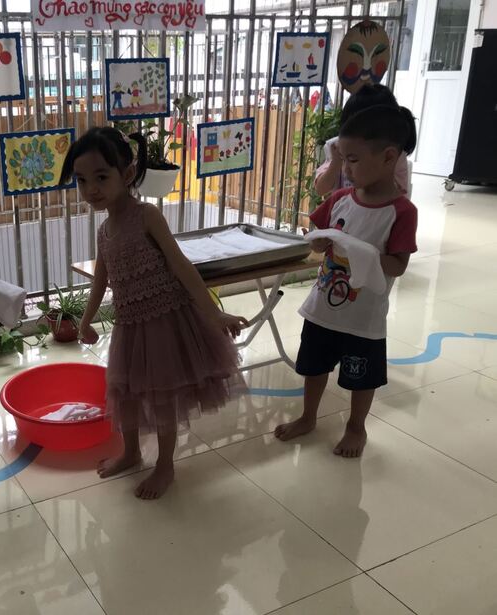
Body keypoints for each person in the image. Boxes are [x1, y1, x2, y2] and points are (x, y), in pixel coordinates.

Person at [58, 127, 247, 500]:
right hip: (130, 326)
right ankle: (130, 452)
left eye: (101, 177)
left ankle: (165, 465)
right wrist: (85, 320)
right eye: (81, 180)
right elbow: (100, 281)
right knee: (126, 392)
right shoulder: (104, 231)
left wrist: (214, 315)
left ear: (127, 174)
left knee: (163, 397)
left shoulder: (147, 216)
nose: (91, 189)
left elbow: (181, 266)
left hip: (166, 322)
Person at [275, 101, 418, 458]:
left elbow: (398, 265)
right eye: (344, 159)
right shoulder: (340, 199)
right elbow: (317, 237)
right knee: (314, 366)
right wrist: (321, 242)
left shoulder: (401, 212)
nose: (346, 168)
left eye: (352, 160)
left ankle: (356, 426)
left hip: (363, 318)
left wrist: (362, 253)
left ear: (388, 157)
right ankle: (308, 416)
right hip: (323, 308)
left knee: (361, 376)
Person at [314, 84, 410, 198]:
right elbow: (320, 189)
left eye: (353, 159)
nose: (346, 170)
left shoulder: (397, 157)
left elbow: (400, 196)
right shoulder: (338, 147)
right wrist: (336, 163)